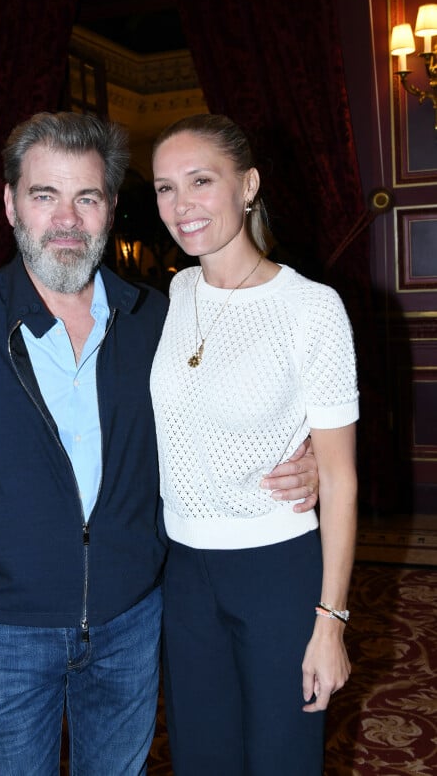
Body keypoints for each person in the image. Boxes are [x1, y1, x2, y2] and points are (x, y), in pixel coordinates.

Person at [0, 112, 319, 776]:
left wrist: (306, 459)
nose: (66, 218)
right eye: (43, 195)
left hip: (131, 622)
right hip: (5, 635)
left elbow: (234, 418)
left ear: (110, 208)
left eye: (86, 197)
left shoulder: (159, 320)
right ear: (10, 203)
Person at [150, 114, 359, 776]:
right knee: (201, 760)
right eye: (163, 188)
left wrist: (330, 624)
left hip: (276, 572)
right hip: (182, 575)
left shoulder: (311, 308)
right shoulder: (174, 294)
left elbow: (340, 478)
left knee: (281, 762)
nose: (182, 207)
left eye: (201, 181)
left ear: (248, 186)